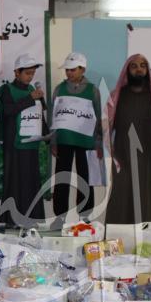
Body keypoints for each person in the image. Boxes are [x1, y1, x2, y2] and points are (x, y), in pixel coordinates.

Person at [105, 54, 151, 223]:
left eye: (142, 66)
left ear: (147, 70)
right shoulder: (116, 96)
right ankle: (120, 236)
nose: (139, 69)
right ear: (127, 70)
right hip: (124, 154)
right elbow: (106, 125)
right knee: (122, 194)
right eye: (134, 66)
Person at [50, 51, 102, 220]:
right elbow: (53, 116)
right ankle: (60, 216)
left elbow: (99, 118)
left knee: (86, 179)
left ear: (82, 69)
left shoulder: (93, 90)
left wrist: (98, 143)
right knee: (62, 178)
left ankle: (85, 216)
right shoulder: (59, 89)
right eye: (67, 70)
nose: (69, 73)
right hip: (64, 140)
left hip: (87, 142)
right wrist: (53, 141)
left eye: (73, 69)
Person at [0, 54, 47, 228]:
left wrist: (49, 137)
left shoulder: (32, 89)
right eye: (27, 73)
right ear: (16, 73)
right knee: (14, 182)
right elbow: (8, 111)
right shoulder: (6, 90)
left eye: (32, 73)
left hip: (31, 144)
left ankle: (31, 219)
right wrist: (30, 98)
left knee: (30, 182)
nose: (30, 77)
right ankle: (12, 220)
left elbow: (39, 116)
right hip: (14, 145)